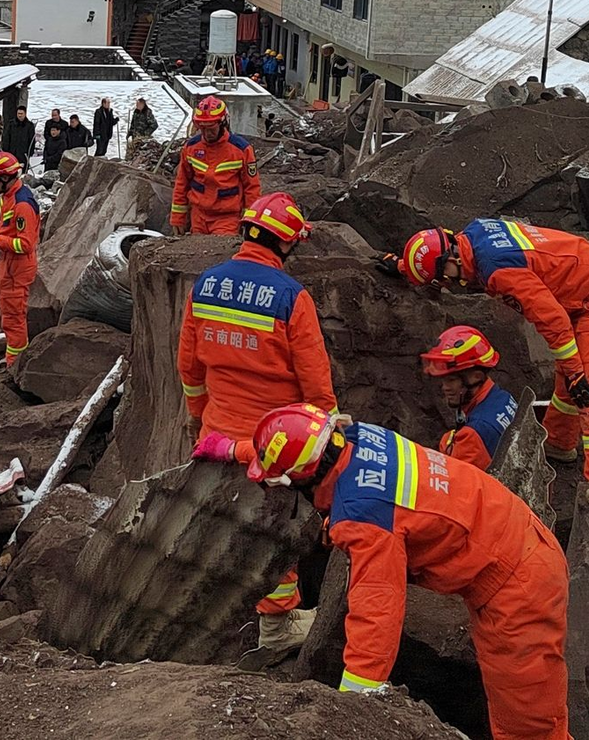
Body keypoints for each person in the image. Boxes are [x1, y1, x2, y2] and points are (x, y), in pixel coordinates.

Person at [248, 403, 572, 740]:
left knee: (529, 729)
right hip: (514, 541)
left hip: (518, 584)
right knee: (522, 714)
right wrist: (234, 449)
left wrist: (350, 704)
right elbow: (313, 457)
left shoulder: (365, 518)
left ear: (304, 480)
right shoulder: (359, 437)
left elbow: (377, 613)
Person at [181, 193, 335, 662]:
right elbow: (317, 386)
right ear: (286, 244)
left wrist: (200, 423)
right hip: (275, 444)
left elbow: (189, 370)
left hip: (218, 433)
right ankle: (276, 624)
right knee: (276, 532)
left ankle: (209, 611)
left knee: (222, 520)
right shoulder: (291, 297)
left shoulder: (205, 284)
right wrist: (326, 443)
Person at [388, 219, 589, 474]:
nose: (446, 283)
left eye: (443, 276)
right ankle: (558, 444)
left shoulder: (498, 271)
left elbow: (553, 320)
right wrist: (403, 266)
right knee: (568, 385)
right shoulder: (473, 234)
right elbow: (435, 257)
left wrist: (576, 373)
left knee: (584, 390)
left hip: (581, 297)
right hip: (576, 274)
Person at [420, 326, 517, 471]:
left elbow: (452, 480)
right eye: (443, 380)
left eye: (451, 380)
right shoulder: (503, 398)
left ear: (476, 377)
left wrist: (448, 443)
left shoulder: (472, 435)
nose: (444, 387)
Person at [0, 152, 41, 367]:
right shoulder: (9, 198)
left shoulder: (22, 204)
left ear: (5, 178)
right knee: (8, 314)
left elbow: (24, 244)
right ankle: (14, 359)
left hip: (18, 267)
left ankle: (16, 364)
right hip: (9, 265)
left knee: (14, 318)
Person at [170, 95, 261, 236]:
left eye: (211, 128)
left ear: (222, 123)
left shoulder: (241, 150)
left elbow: (252, 188)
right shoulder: (191, 148)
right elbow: (182, 183)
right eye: (202, 128)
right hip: (198, 216)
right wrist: (178, 217)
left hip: (227, 218)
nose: (207, 133)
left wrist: (249, 220)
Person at [1, 106, 36, 172]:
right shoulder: (11, 124)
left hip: (24, 153)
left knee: (23, 172)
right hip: (12, 152)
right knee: (11, 171)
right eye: (18, 113)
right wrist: (5, 150)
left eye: (21, 114)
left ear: (25, 114)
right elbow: (6, 137)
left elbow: (32, 140)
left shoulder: (29, 126)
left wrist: (30, 152)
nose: (19, 115)